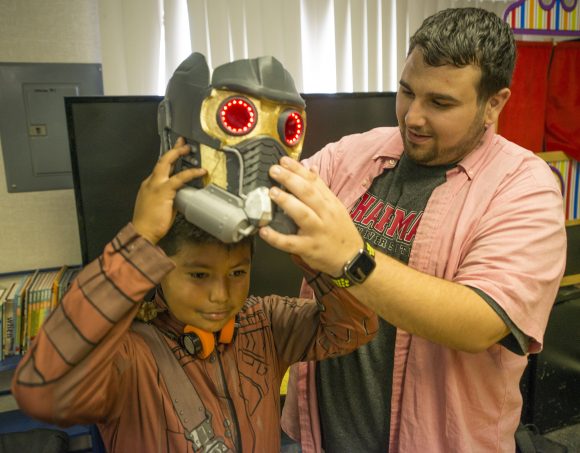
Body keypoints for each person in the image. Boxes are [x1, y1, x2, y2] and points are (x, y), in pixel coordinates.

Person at [11, 51, 378, 453]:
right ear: (158, 269)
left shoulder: (263, 325)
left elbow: (353, 330)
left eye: (238, 273)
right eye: (198, 275)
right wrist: (137, 242)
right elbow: (40, 391)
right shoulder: (129, 357)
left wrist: (317, 256)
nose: (222, 296)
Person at [258, 7, 568, 453]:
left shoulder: (525, 187)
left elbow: (479, 323)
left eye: (440, 103)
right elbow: (270, 194)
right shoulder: (359, 153)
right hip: (316, 434)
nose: (413, 118)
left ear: (494, 103)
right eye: (406, 92)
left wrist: (352, 260)